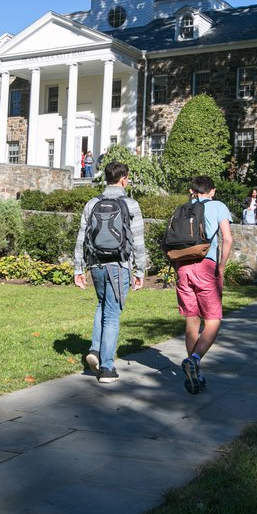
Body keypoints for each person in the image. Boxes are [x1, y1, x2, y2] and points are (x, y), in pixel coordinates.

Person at [73, 161, 146, 383]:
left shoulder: (92, 203)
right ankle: (106, 367)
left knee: (102, 305)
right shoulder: (130, 204)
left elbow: (81, 239)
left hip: (96, 265)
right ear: (124, 178)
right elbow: (138, 242)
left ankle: (95, 350)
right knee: (112, 314)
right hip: (119, 265)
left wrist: (78, 268)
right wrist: (140, 271)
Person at [175, 176, 232, 395]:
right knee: (213, 320)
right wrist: (222, 267)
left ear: (192, 191)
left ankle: (195, 376)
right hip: (206, 266)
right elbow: (227, 239)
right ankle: (195, 359)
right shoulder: (218, 206)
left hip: (183, 267)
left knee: (192, 319)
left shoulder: (184, 208)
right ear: (213, 191)